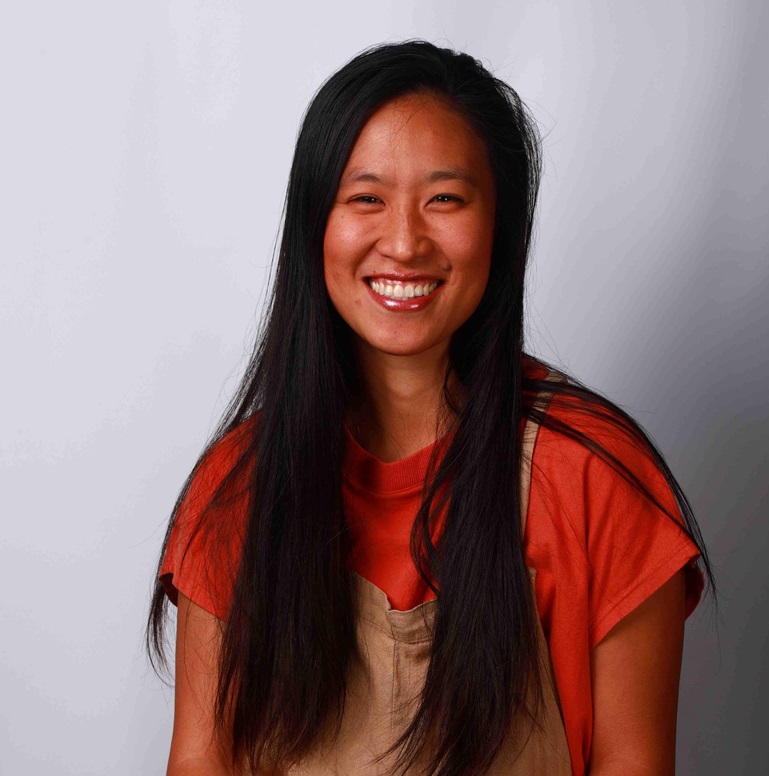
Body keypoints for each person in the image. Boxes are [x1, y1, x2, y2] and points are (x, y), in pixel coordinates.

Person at [148, 40, 714, 776]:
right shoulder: (237, 488)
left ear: (500, 227)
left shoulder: (594, 478)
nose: (406, 241)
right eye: (366, 198)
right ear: (314, 225)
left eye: (445, 199)